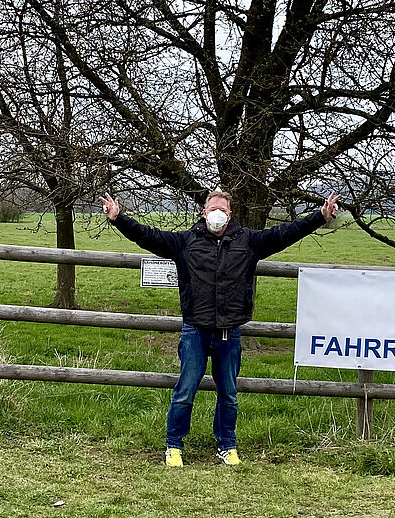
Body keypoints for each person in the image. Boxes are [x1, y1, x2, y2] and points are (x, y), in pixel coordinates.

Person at [101, 189, 339, 467]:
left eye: (223, 210)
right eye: (213, 209)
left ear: (230, 215)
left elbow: (284, 234)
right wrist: (118, 219)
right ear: (204, 213)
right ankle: (174, 445)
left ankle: (227, 444)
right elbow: (148, 236)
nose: (217, 214)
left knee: (228, 394)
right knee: (185, 392)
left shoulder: (248, 241)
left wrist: (319, 217)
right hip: (195, 330)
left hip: (229, 331)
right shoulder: (185, 242)